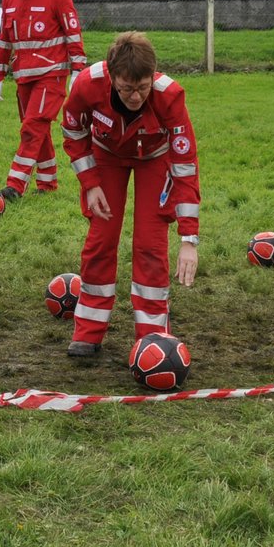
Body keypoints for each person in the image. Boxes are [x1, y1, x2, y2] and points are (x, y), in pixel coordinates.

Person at [59, 31, 200, 357]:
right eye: (126, 89)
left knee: (150, 243)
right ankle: (88, 332)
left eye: (142, 88)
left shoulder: (171, 96)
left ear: (153, 76)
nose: (135, 97)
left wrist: (189, 240)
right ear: (112, 78)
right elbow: (71, 128)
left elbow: (185, 167)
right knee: (100, 240)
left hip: (154, 160)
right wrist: (90, 182)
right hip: (107, 157)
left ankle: (152, 340)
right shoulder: (87, 84)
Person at [0, 0, 87, 200]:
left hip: (52, 73)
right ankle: (47, 183)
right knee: (38, 129)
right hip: (23, 75)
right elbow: (3, 40)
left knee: (32, 128)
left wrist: (78, 69)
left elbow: (73, 32)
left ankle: (15, 185)